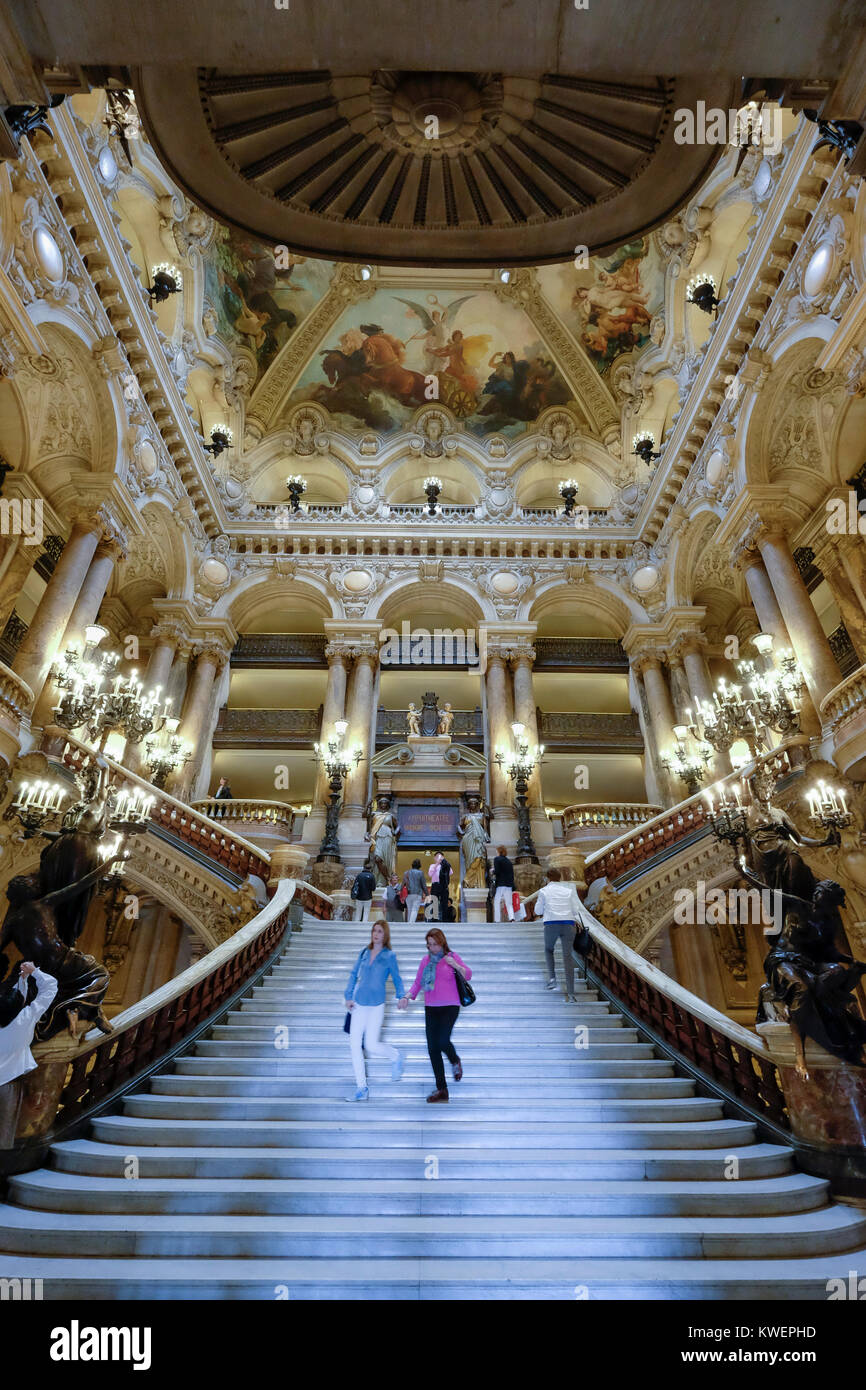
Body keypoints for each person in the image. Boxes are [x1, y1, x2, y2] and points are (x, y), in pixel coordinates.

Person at [344, 920, 408, 1101]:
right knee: (354, 1045)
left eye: (380, 931)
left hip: (377, 1005)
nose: (376, 934)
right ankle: (361, 1088)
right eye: (374, 931)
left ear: (385, 934)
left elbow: (397, 979)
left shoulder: (390, 956)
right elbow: (353, 974)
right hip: (358, 1003)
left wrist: (401, 996)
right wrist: (348, 996)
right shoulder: (364, 952)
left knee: (371, 1045)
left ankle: (395, 1055)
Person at [406, 927, 471, 1103]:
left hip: (450, 1006)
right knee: (433, 1048)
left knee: (442, 1041)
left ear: (442, 942)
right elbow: (418, 983)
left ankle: (454, 1059)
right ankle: (442, 1090)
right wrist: (407, 997)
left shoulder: (452, 957)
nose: (432, 948)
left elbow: (468, 974)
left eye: (435, 944)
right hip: (431, 1008)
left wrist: (455, 965)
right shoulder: (425, 961)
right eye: (429, 945)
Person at [0, 960, 58, 1146]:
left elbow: (16, 1001)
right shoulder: (26, 1018)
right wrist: (33, 972)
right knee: (3, 1133)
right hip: (8, 1085)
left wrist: (22, 981)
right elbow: (50, 988)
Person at [535, 867, 582, 1001]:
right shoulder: (568, 891)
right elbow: (575, 910)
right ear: (559, 878)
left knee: (549, 949)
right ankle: (571, 994)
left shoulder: (544, 891)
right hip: (568, 924)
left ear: (547, 878)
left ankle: (552, 979)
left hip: (551, 924)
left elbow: (538, 911)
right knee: (568, 957)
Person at [491, 845, 515, 922]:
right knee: (509, 903)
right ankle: (512, 918)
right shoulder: (508, 861)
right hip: (509, 884)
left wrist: (492, 871)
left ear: (499, 851)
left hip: (501, 884)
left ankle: (497, 920)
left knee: (497, 902)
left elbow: (497, 871)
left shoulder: (497, 859)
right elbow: (511, 874)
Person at [402, 859, 427, 924]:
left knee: (409, 909)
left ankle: (409, 923)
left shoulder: (406, 873)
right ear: (419, 865)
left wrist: (399, 891)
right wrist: (427, 894)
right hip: (417, 893)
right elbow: (423, 885)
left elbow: (403, 884)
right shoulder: (420, 873)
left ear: (412, 865)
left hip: (408, 893)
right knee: (414, 909)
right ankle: (411, 923)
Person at [429, 851, 452, 922]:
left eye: (441, 856)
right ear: (435, 858)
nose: (439, 858)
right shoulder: (432, 865)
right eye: (437, 857)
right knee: (434, 901)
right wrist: (437, 864)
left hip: (443, 885)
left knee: (444, 902)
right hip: (435, 885)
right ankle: (434, 919)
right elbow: (430, 874)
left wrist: (444, 862)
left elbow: (451, 872)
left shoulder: (445, 866)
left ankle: (445, 919)